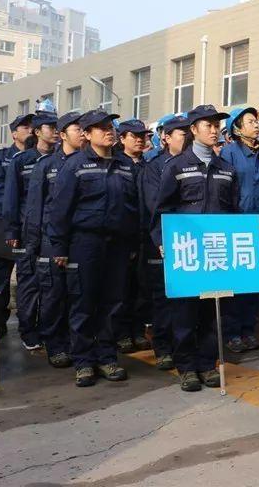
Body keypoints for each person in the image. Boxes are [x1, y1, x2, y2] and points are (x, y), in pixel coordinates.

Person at [152, 105, 239, 391]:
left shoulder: (226, 169)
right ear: (193, 130)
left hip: (216, 252)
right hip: (187, 250)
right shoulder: (176, 167)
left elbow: (235, 211)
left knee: (213, 311)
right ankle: (187, 367)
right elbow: (162, 210)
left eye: (216, 125)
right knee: (185, 312)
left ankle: (207, 363)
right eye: (208, 125)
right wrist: (162, 242)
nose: (214, 130)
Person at [50, 109, 139, 387]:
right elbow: (60, 209)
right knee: (84, 303)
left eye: (110, 126)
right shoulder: (75, 165)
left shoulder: (125, 166)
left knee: (113, 303)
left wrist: (132, 243)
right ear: (87, 135)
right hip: (84, 244)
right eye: (100, 128)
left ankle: (107, 357)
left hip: (117, 246)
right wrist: (59, 247)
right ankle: (84, 362)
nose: (108, 130)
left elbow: (134, 208)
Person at [23, 112, 84, 368]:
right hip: (50, 240)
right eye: (77, 129)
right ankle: (55, 345)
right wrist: (32, 247)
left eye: (84, 129)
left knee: (77, 296)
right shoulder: (46, 165)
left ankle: (74, 343)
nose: (82, 133)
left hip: (79, 239)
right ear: (62, 135)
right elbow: (35, 209)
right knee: (54, 295)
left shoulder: (88, 163)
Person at [220, 106, 259, 353]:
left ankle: (248, 330)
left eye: (256, 121)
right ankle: (232, 333)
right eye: (251, 121)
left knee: (255, 282)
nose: (256, 125)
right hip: (236, 225)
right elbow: (223, 190)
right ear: (237, 129)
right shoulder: (229, 153)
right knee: (236, 281)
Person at [3, 113, 59, 349]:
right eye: (51, 127)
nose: (56, 131)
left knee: (51, 283)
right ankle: (28, 330)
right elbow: (11, 199)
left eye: (58, 127)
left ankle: (49, 329)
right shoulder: (21, 160)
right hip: (27, 231)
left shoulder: (62, 160)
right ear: (37, 132)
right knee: (28, 281)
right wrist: (11, 232)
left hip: (52, 232)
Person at [141, 114, 189, 371]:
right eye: (182, 134)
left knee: (187, 299)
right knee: (163, 297)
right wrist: (163, 238)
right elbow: (154, 205)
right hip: (163, 240)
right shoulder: (155, 166)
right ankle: (163, 347)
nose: (186, 138)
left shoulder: (194, 163)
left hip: (191, 239)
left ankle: (184, 346)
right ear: (166, 138)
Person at [0, 113, 34, 332]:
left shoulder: (38, 158)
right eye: (25, 127)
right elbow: (0, 192)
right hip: (4, 226)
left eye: (33, 127)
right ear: (14, 133)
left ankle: (29, 328)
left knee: (30, 282)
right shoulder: (0, 157)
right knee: (0, 281)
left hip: (30, 227)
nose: (30, 130)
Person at [112, 119, 152, 354]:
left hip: (145, 234)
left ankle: (137, 330)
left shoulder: (148, 165)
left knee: (141, 287)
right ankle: (122, 332)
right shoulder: (116, 165)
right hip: (124, 235)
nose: (139, 139)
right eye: (133, 136)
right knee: (120, 287)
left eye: (142, 136)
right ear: (122, 138)